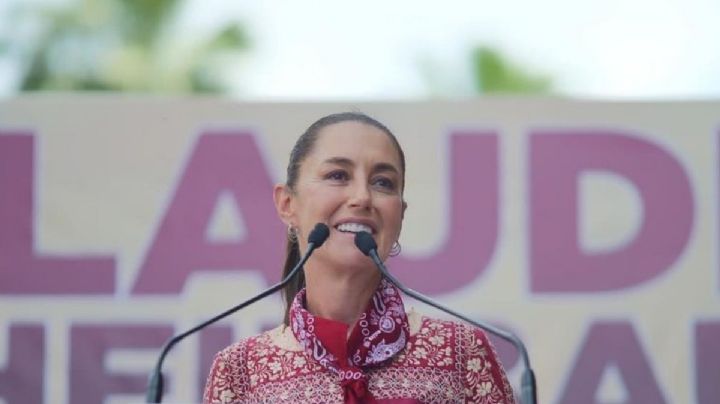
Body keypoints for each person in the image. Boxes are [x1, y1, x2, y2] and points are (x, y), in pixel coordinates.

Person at [203, 112, 515, 403]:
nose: (362, 197)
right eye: (338, 175)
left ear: (400, 215)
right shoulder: (239, 371)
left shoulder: (461, 351)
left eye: (383, 183)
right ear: (287, 204)